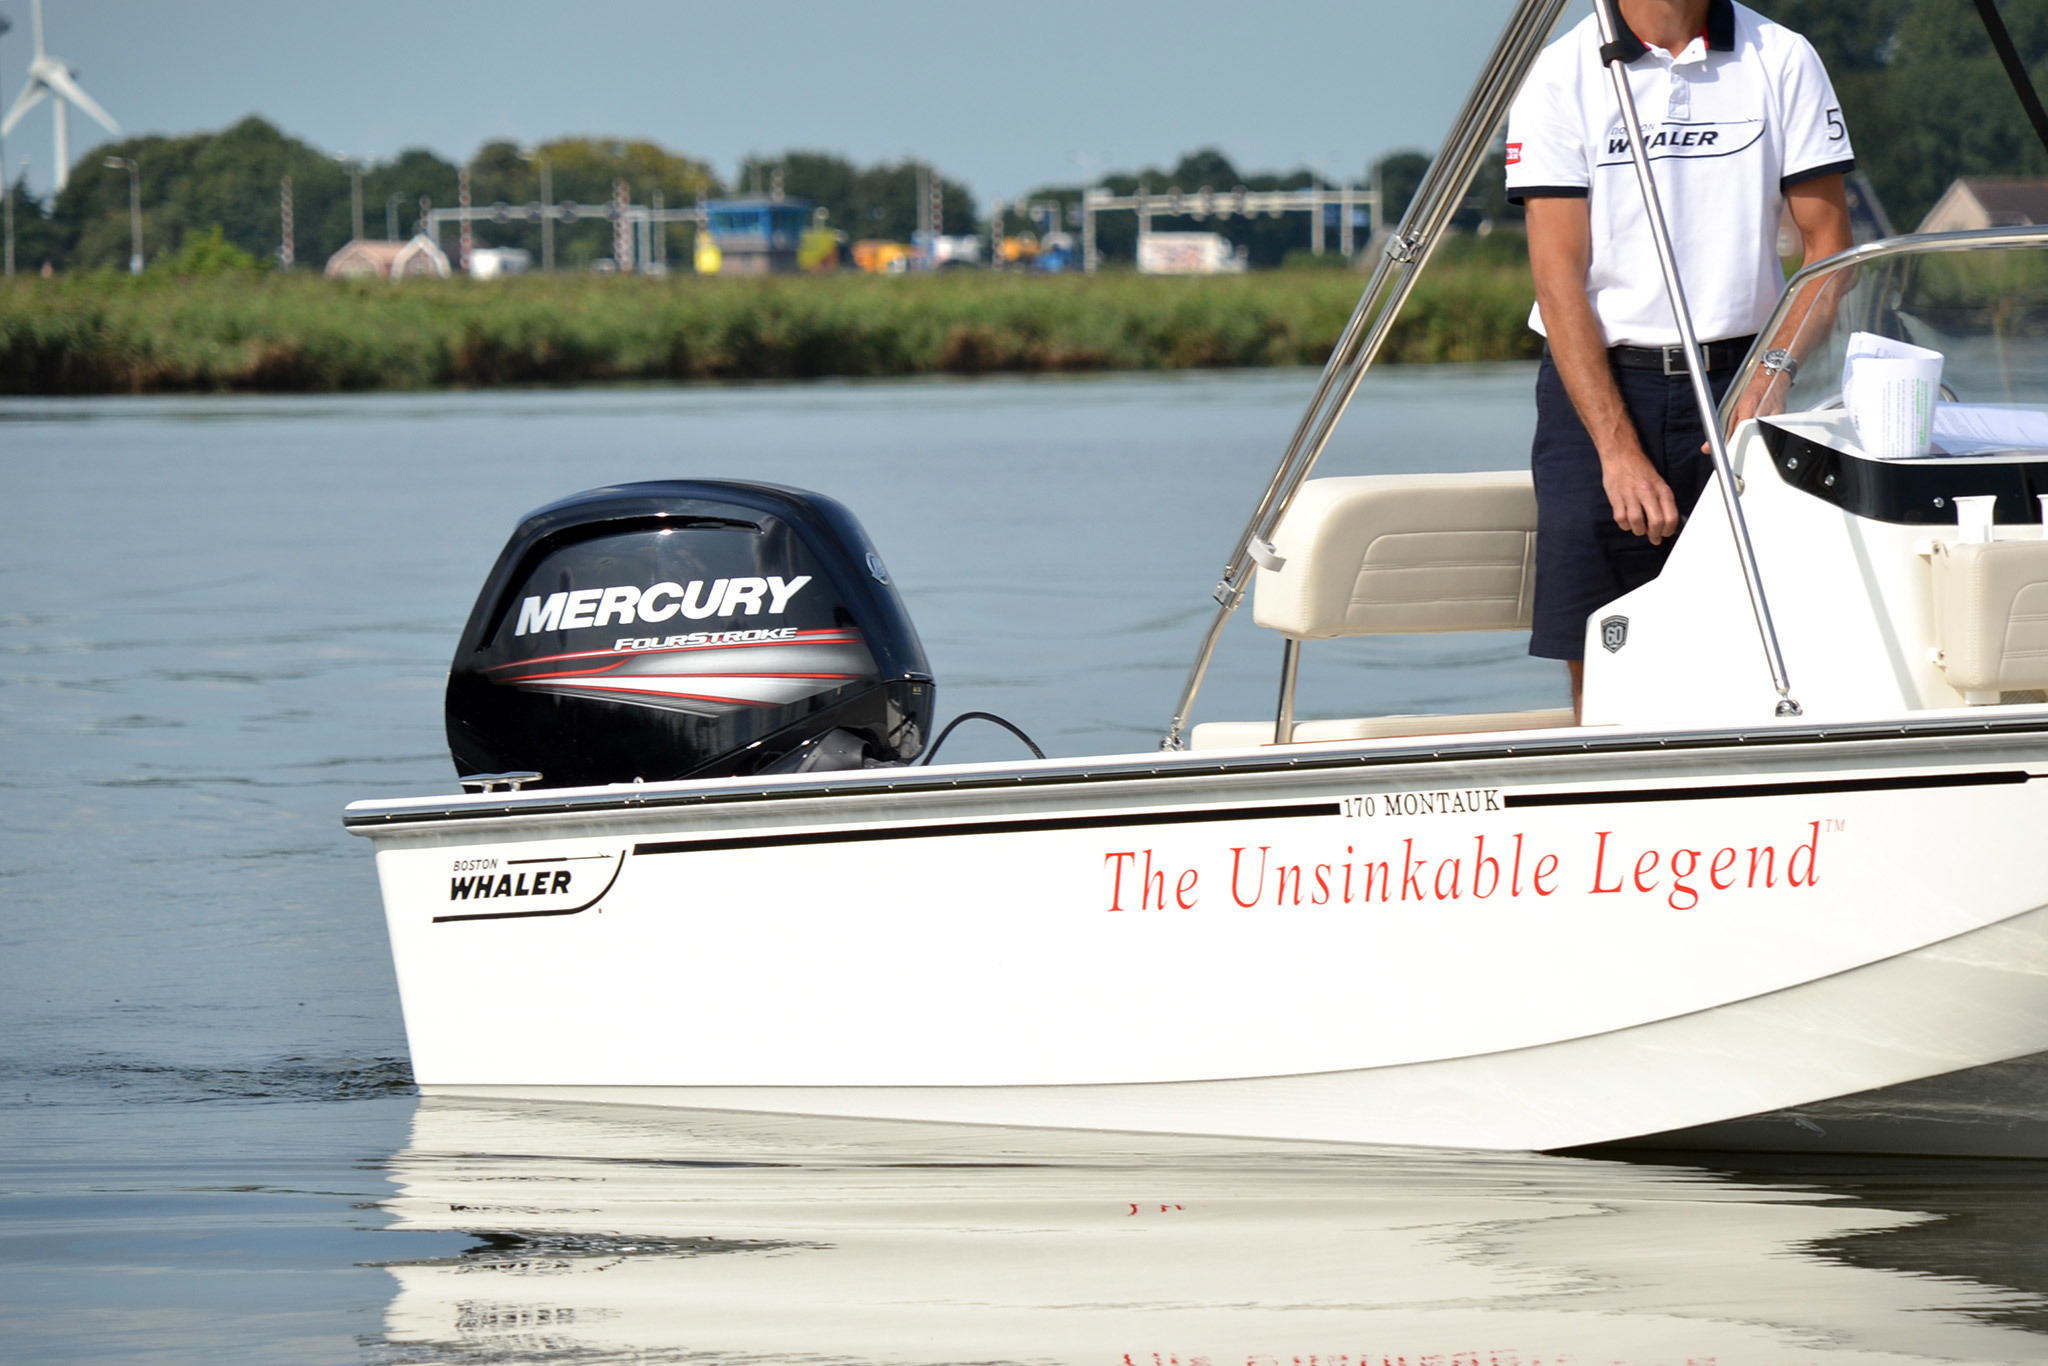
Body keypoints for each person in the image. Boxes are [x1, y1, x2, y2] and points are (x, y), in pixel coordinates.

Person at [1505, 0, 1855, 717]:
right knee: (1604, 646)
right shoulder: (1560, 73)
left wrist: (1773, 372)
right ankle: (1608, 775)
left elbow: (1830, 251)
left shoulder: (1782, 56)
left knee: (1770, 637)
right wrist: (1616, 449)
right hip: (1598, 386)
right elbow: (1557, 278)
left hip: (1746, 381)